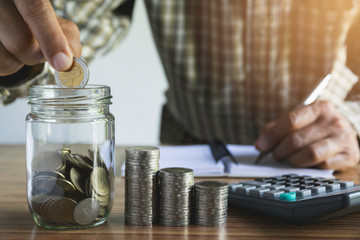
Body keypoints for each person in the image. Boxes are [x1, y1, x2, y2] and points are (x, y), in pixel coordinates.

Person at [0, 0, 360, 171]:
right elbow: (56, 24)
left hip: (331, 157)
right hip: (190, 159)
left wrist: (354, 120)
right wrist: (17, 54)